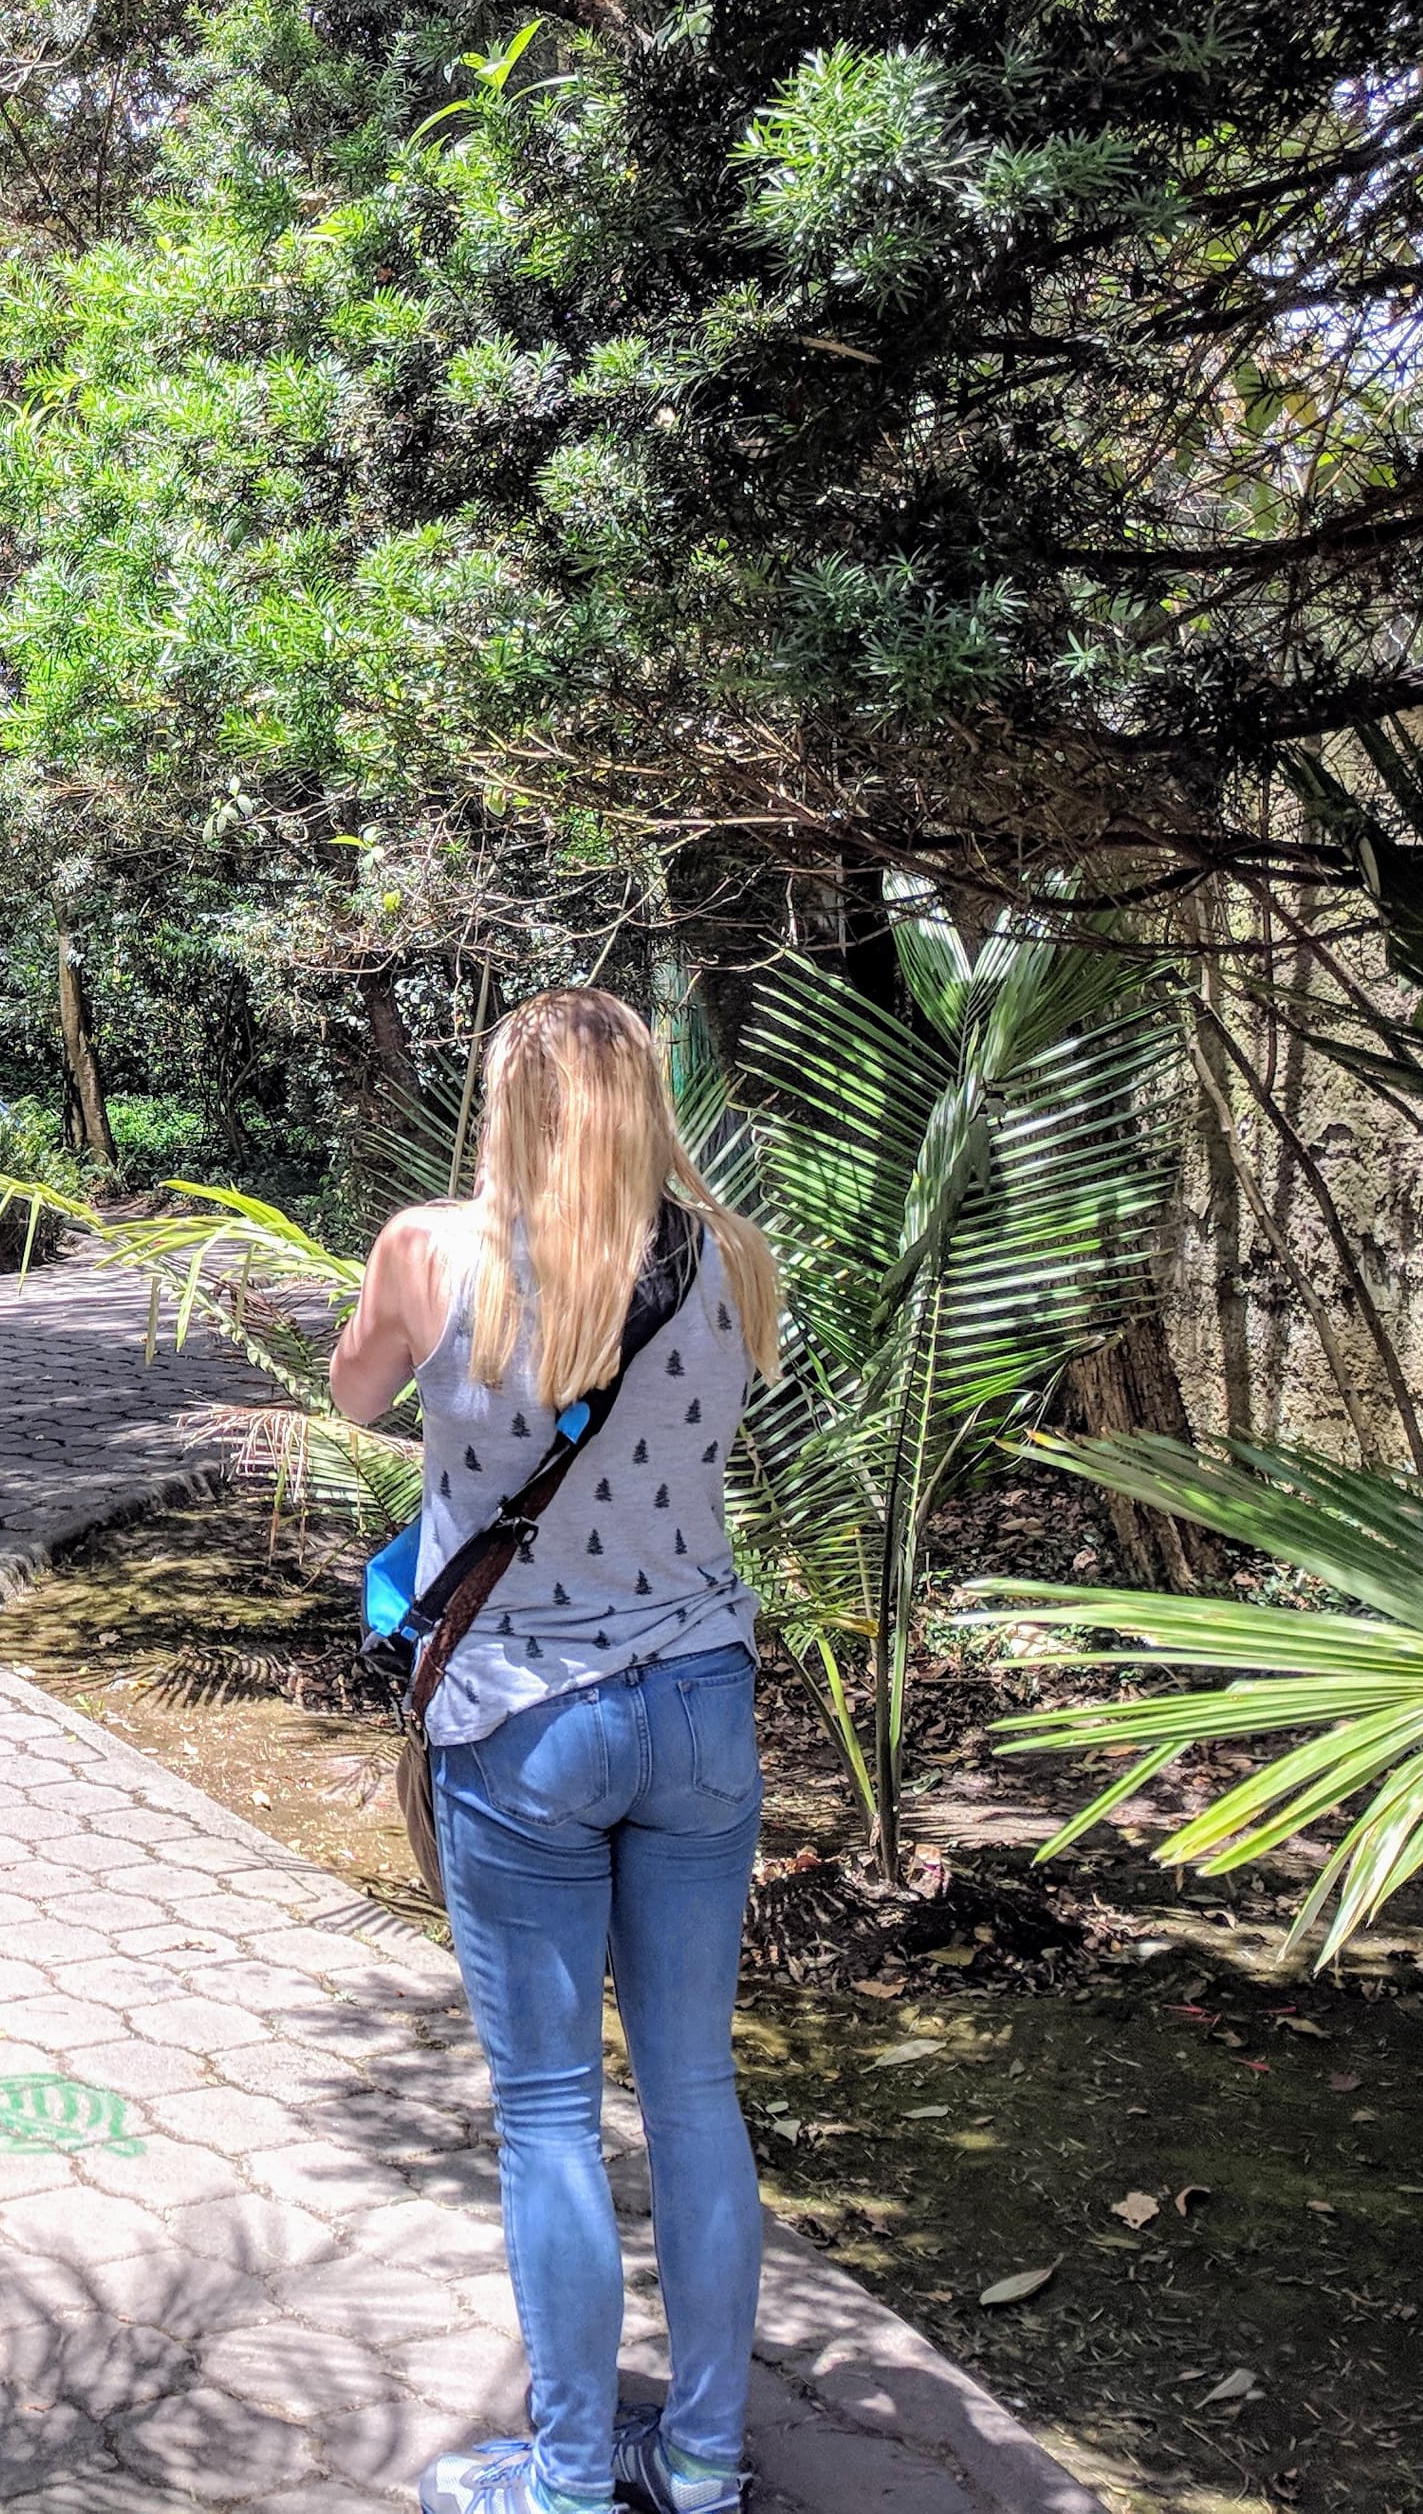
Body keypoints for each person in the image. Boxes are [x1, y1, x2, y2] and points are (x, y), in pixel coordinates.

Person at [326, 988, 786, 2514]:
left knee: (546, 2110)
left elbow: (356, 1391)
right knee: (696, 2089)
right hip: (704, 1703)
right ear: (646, 1098)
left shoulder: (431, 1249)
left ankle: (575, 2473)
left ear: (508, 1100)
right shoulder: (732, 1253)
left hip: (524, 1718)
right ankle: (706, 2462)